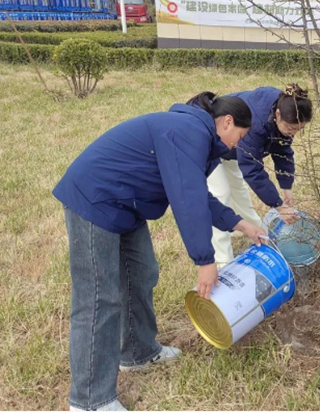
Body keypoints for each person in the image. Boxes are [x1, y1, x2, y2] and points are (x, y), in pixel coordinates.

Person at [53, 93, 266, 411]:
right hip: (95, 199)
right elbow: (186, 200)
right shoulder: (188, 132)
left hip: (125, 204)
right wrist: (205, 260)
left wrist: (240, 224)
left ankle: (138, 352)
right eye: (241, 136)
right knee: (99, 298)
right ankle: (89, 400)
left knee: (142, 273)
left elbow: (194, 192)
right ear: (227, 122)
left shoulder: (197, 137)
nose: (239, 144)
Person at [204, 84, 313, 268]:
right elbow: (252, 169)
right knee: (220, 194)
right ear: (277, 115)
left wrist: (286, 186)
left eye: (298, 130)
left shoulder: (286, 111)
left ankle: (252, 230)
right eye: (290, 128)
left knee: (237, 188)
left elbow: (283, 150)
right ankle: (222, 259)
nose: (293, 133)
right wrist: (278, 205)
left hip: (232, 147)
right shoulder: (255, 123)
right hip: (210, 141)